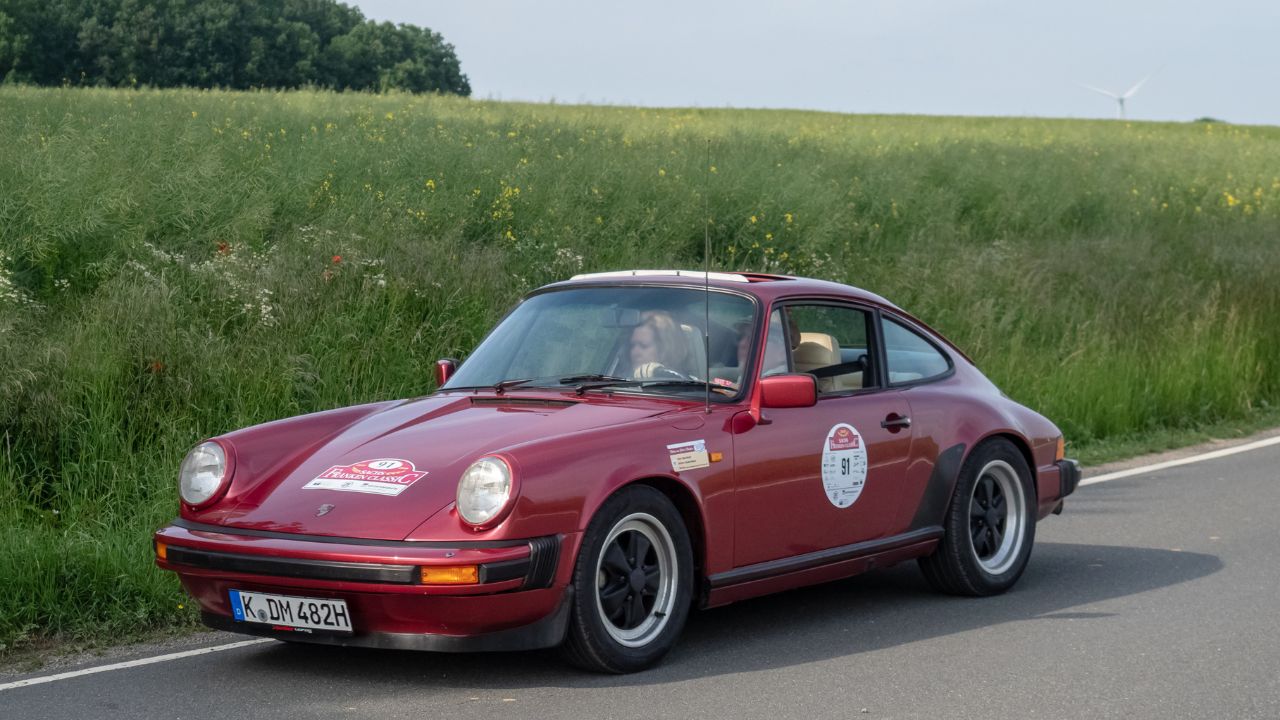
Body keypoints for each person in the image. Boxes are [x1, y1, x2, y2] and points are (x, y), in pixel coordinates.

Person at [629, 311, 690, 379]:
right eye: (632, 346)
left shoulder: (690, 382)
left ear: (665, 349)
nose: (634, 352)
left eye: (644, 346)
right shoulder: (622, 379)